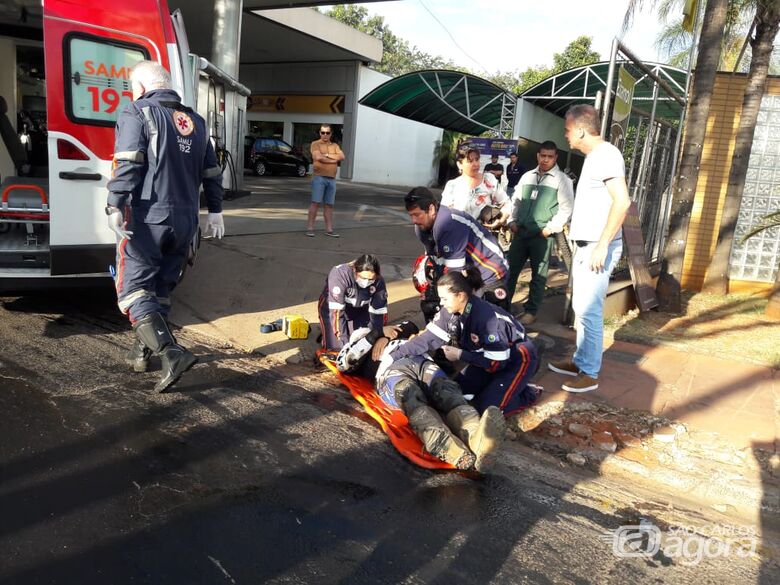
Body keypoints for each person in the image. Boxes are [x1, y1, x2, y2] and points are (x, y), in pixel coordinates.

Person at [106, 60, 224, 393]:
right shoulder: (197, 122)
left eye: (133, 88)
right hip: (186, 221)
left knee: (131, 291)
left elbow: (128, 161)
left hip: (147, 217)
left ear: (141, 87)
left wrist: (114, 201)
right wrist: (215, 211)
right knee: (159, 289)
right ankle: (142, 351)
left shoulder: (137, 111)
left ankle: (172, 353)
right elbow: (212, 173)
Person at [336, 323, 505, 472]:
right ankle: (444, 444)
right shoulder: (357, 348)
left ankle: (478, 438)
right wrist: (374, 336)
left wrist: (385, 336)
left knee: (448, 390)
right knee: (410, 396)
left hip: (421, 362)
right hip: (391, 371)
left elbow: (411, 326)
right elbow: (344, 363)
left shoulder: (393, 333)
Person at [547, 105, 630, 393]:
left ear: (580, 129)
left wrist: (602, 245)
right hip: (587, 245)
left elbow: (622, 202)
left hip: (598, 246)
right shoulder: (596, 157)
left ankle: (590, 373)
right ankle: (582, 361)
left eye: (568, 131)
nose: (566, 136)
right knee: (581, 309)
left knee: (589, 310)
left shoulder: (606, 155)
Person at [386, 269, 541, 416]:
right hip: (486, 357)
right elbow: (426, 339)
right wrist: (393, 356)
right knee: (457, 392)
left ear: (460, 296)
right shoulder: (449, 311)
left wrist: (461, 354)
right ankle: (500, 387)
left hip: (517, 358)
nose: (442, 303)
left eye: (445, 298)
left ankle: (527, 392)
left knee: (488, 409)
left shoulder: (486, 319)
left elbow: (496, 363)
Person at [405, 187, 510, 311]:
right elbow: (435, 260)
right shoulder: (421, 228)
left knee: (490, 318)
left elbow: (455, 274)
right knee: (436, 303)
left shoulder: (449, 223)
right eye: (411, 215)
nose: (414, 220)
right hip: (470, 270)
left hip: (490, 269)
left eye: (417, 215)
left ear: (432, 209)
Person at [506, 140, 574, 326]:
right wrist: (511, 221)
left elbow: (566, 209)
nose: (545, 160)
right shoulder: (527, 176)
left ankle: (531, 311)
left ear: (555, 157)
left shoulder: (562, 180)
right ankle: (503, 305)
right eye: (542, 155)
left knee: (538, 276)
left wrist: (549, 229)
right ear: (537, 155)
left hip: (542, 237)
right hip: (520, 233)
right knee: (509, 272)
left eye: (550, 156)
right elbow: (516, 200)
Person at [318, 254, 398, 350]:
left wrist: (377, 334)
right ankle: (327, 335)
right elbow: (336, 314)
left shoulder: (378, 282)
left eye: (371, 279)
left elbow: (379, 312)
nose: (366, 282)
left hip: (359, 309)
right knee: (337, 348)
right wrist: (344, 343)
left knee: (363, 342)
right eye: (363, 278)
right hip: (332, 308)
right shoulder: (340, 275)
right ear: (355, 270)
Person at [440, 148, 511, 225]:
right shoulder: (452, 186)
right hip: (459, 234)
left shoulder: (489, 180)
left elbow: (506, 203)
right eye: (470, 161)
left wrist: (500, 221)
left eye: (477, 159)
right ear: (459, 164)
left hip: (484, 234)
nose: (476, 164)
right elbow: (444, 216)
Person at [306, 124, 345, 238]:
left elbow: (342, 156)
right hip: (319, 177)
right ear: (320, 133)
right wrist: (334, 160)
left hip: (331, 179)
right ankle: (310, 228)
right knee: (315, 203)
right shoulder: (315, 144)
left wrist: (327, 155)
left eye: (327, 133)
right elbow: (317, 157)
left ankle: (329, 229)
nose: (325, 135)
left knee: (329, 205)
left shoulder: (335, 145)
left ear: (331, 134)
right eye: (322, 132)